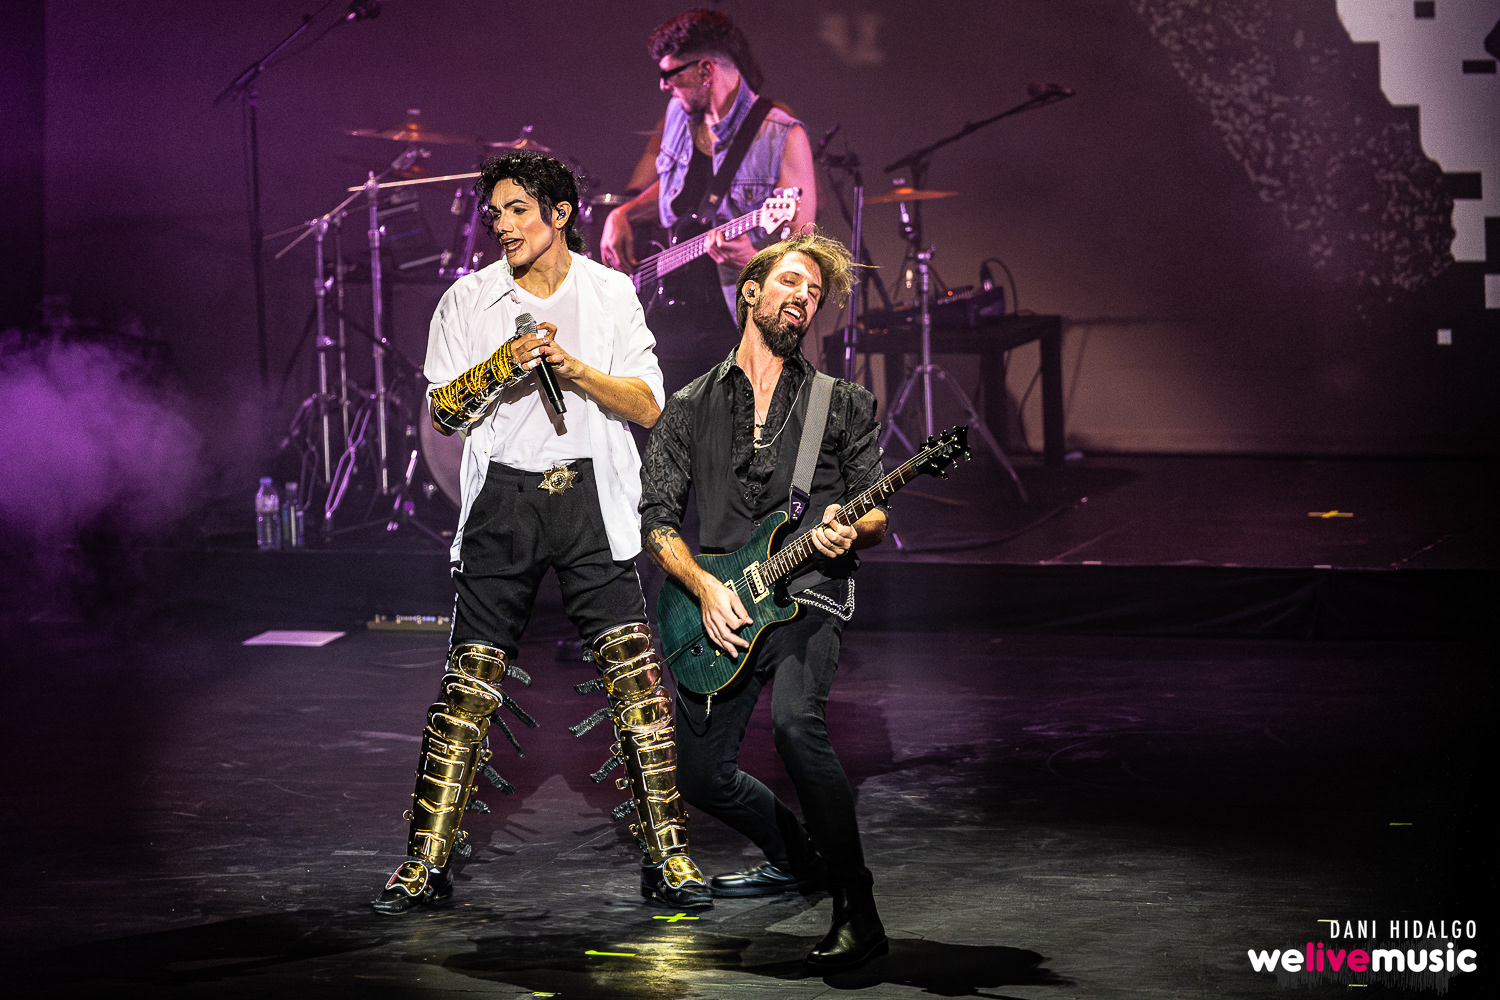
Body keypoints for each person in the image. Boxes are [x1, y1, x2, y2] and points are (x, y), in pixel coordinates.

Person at [373, 151, 711, 914]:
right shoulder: (467, 300)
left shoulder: (612, 293)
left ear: (560, 213)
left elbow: (649, 405)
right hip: (504, 501)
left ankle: (670, 857)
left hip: (591, 496)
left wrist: (572, 366)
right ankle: (424, 862)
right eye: (495, 213)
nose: (502, 224)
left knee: (637, 679)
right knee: (468, 683)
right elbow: (444, 412)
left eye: (518, 209)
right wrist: (502, 366)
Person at [638, 231, 890, 971]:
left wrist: (851, 529)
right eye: (790, 282)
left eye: (814, 292)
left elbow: (876, 513)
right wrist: (703, 586)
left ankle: (858, 910)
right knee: (701, 776)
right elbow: (656, 523)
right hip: (721, 604)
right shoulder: (688, 406)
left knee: (794, 727)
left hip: (810, 594)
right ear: (749, 292)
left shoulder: (840, 404)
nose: (803, 298)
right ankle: (798, 860)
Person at [600, 7, 818, 395]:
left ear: (705, 70)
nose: (663, 86)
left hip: (735, 324)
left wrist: (753, 260)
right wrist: (624, 214)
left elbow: (804, 254)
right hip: (666, 321)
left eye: (671, 74)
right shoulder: (679, 113)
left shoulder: (782, 135)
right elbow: (678, 189)